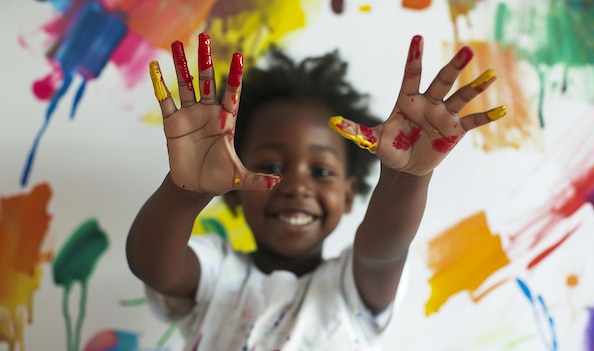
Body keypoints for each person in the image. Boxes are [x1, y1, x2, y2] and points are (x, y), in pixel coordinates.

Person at [126, 32, 506, 351]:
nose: (297, 186)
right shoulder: (215, 274)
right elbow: (150, 263)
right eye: (272, 167)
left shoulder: (351, 289)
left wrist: (406, 178)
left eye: (321, 171)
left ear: (347, 193)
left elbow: (382, 250)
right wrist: (185, 192)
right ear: (232, 189)